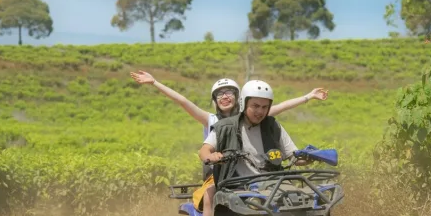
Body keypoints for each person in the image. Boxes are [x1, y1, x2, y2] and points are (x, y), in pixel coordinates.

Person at [197, 80, 306, 216]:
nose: (260, 111)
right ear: (243, 103)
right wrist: (211, 156)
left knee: (303, 201)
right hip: (238, 186)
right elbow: (204, 150)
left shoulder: (273, 126)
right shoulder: (225, 127)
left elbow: (294, 156)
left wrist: (309, 157)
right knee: (213, 195)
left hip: (275, 183)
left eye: (264, 107)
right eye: (255, 106)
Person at [128, 70, 328, 141]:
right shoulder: (210, 120)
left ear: (239, 97)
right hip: (220, 175)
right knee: (209, 197)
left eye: (229, 92)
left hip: (250, 171)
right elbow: (182, 101)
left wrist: (309, 96)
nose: (225, 97)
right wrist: (155, 83)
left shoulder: (250, 116)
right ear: (214, 100)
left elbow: (282, 106)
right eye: (220, 94)